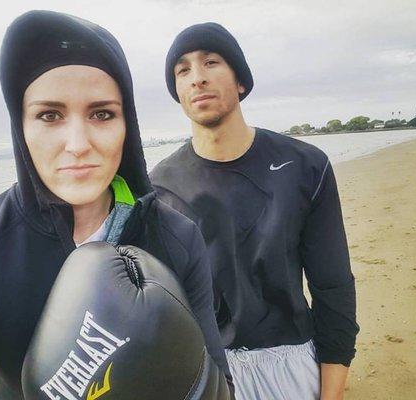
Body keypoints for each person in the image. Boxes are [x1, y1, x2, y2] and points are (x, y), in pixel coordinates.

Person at [0, 11, 232, 399]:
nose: (78, 143)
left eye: (102, 114)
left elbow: (221, 383)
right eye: (49, 115)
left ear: (127, 124)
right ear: (21, 126)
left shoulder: (178, 236)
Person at [150, 22, 360, 400]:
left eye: (211, 62)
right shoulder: (159, 188)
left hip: (292, 363)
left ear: (240, 81)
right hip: (207, 372)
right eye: (183, 70)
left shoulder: (306, 166)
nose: (197, 78)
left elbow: (334, 290)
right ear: (177, 92)